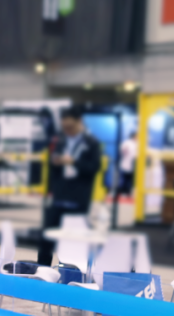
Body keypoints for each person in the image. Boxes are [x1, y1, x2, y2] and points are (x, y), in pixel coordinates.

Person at [37, 107, 102, 266]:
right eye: (65, 127)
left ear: (79, 122)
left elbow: (94, 167)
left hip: (78, 200)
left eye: (70, 127)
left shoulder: (92, 143)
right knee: (46, 240)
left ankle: (68, 275)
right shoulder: (60, 141)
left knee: (72, 244)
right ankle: (41, 272)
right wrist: (56, 163)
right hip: (58, 198)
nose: (68, 131)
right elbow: (52, 166)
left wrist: (74, 162)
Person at [118, 130, 137, 196]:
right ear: (133, 136)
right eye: (136, 136)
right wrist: (124, 150)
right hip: (127, 163)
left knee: (133, 180)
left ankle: (130, 192)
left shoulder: (138, 143)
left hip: (135, 164)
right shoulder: (127, 143)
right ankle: (124, 192)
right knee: (126, 179)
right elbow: (122, 152)